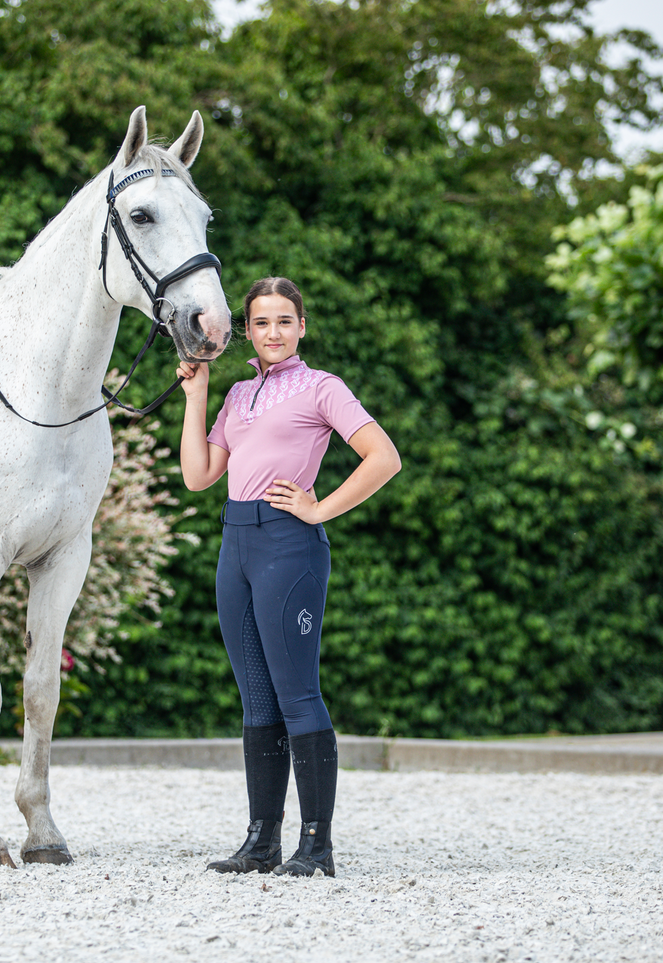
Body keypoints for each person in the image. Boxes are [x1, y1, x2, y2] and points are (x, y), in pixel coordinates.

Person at [176, 277, 402, 877]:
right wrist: (197, 395)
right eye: (260, 322)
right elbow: (198, 476)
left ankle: (316, 847)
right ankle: (261, 843)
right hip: (235, 546)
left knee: (297, 695)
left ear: (302, 326)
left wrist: (320, 508)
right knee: (256, 698)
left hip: (288, 546)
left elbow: (384, 457)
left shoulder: (323, 387)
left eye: (283, 321)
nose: (272, 332)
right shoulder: (238, 395)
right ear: (247, 331)